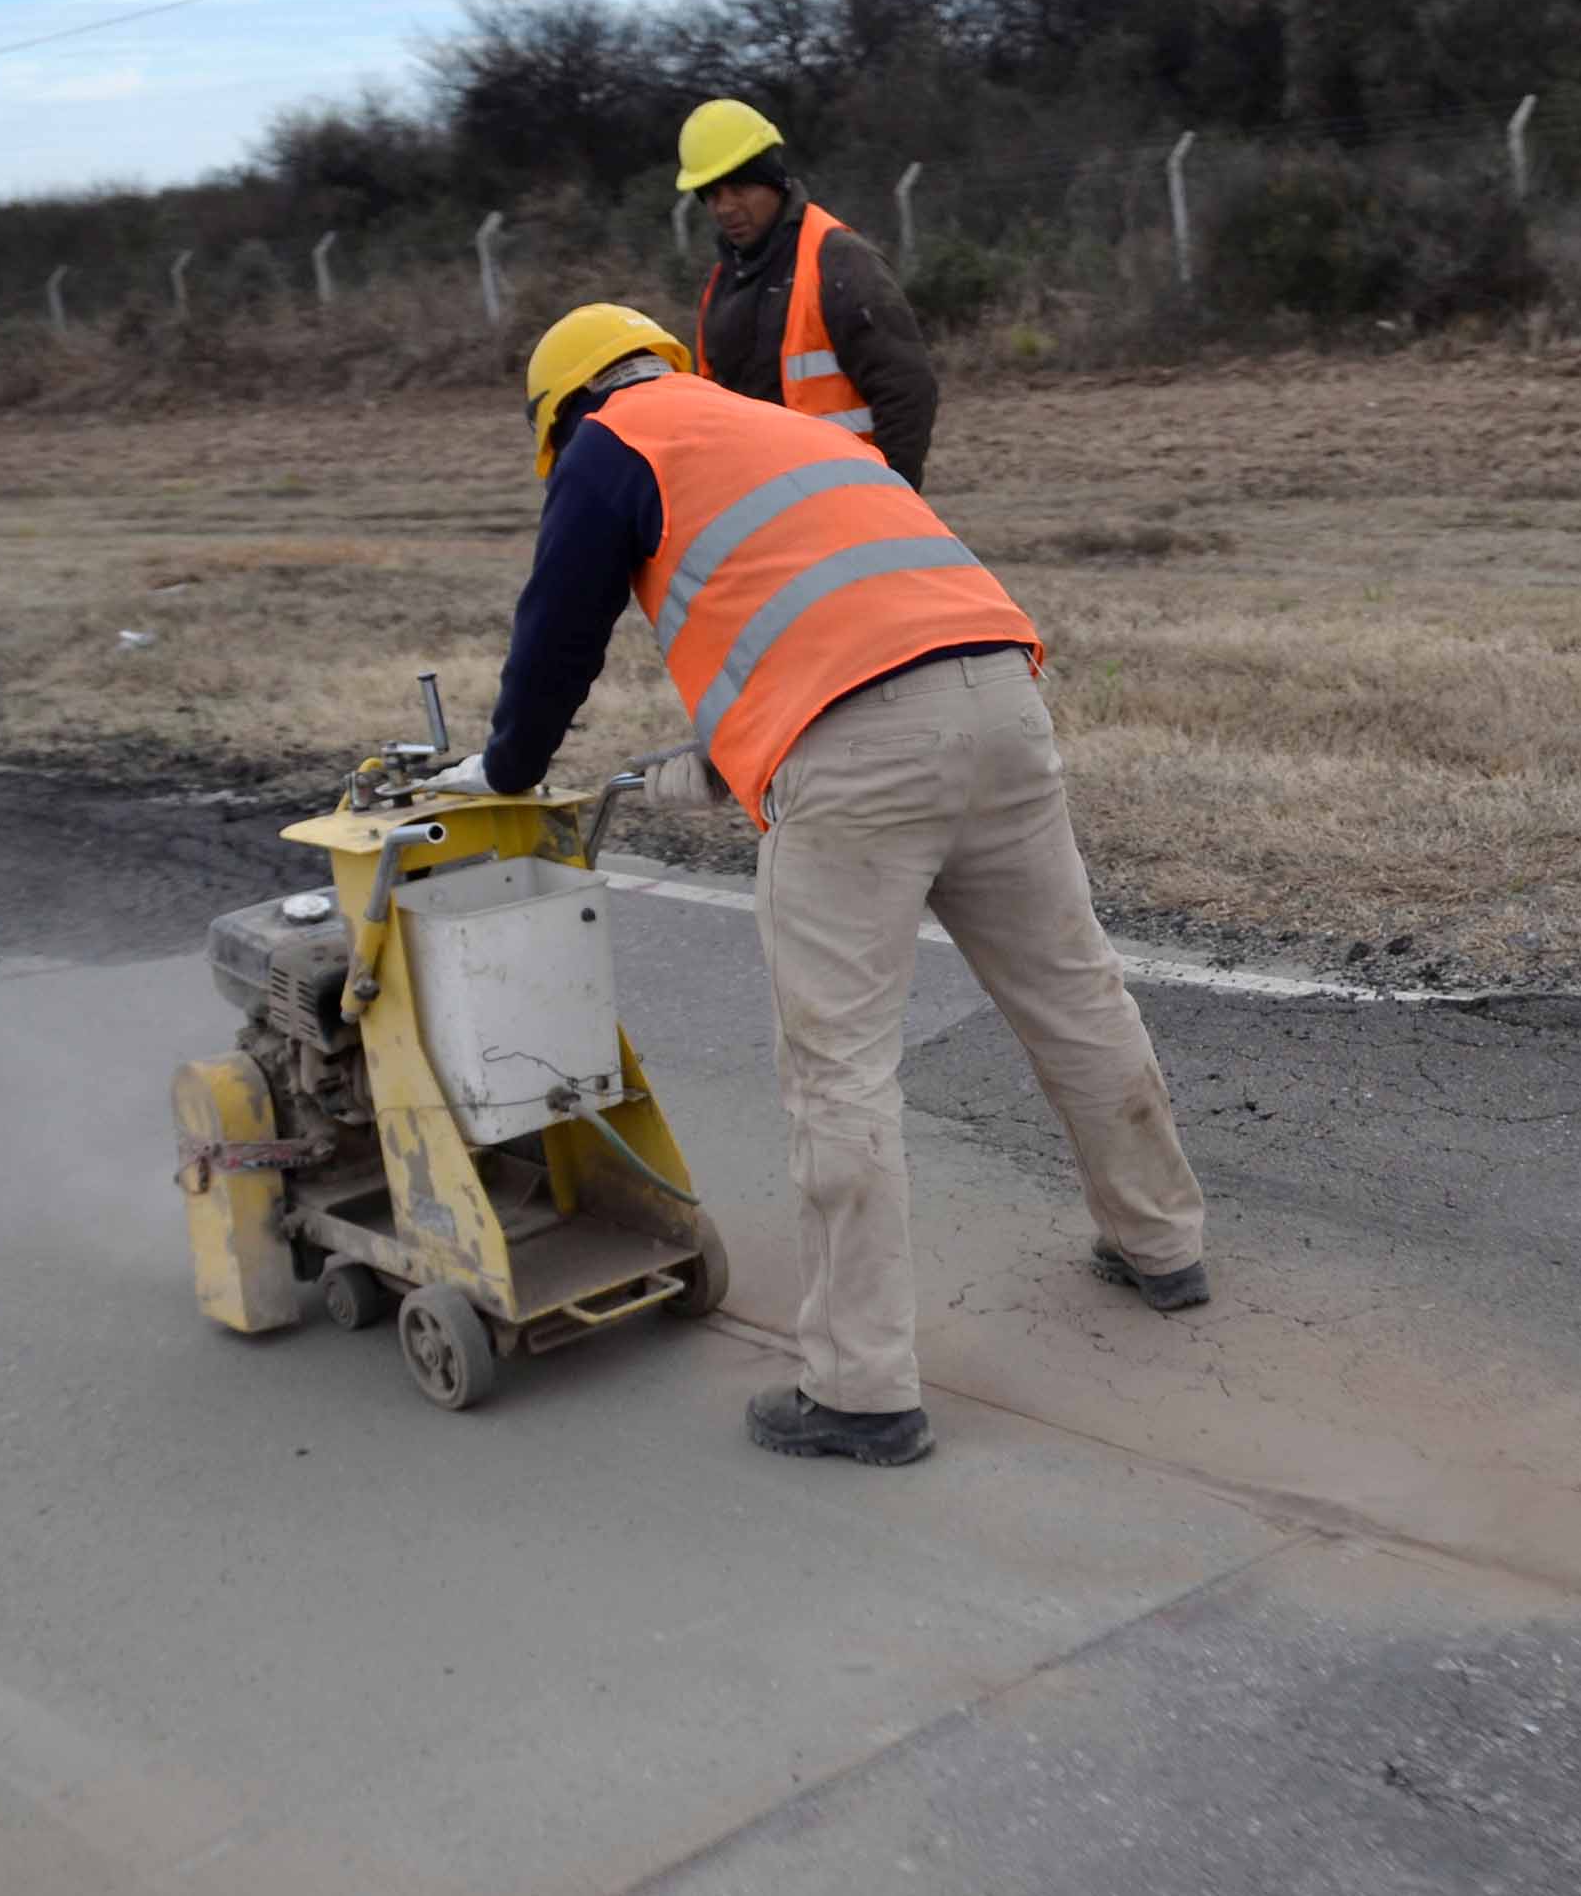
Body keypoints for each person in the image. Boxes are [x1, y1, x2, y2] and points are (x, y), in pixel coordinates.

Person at [420, 303, 1209, 1467]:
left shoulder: (611, 443)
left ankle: (861, 1390)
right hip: (1001, 695)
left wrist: (505, 767)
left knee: (837, 1067)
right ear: (665, 363)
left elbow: (558, 638)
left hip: (861, 752)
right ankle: (1163, 1243)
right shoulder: (784, 430)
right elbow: (838, 621)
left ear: (565, 409)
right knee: (1074, 992)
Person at [676, 97, 939, 489]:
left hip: (847, 507)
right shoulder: (722, 282)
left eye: (740, 187)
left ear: (773, 180)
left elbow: (907, 392)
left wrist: (891, 501)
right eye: (712, 194)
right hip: (764, 512)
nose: (725, 207)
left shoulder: (841, 262)